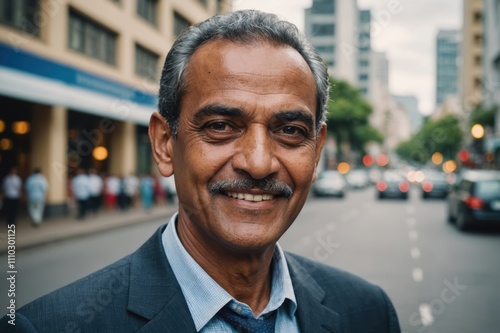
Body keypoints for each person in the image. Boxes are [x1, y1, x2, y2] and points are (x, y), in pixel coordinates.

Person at [0, 10, 400, 332]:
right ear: (163, 144)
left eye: (290, 131)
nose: (258, 162)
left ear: (317, 152)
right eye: (221, 127)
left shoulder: (367, 312)